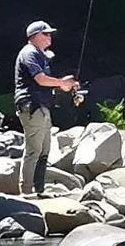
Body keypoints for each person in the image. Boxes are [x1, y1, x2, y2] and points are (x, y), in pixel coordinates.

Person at [13, 21, 82, 194]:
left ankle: (39, 190)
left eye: (50, 34)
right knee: (34, 150)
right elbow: (40, 79)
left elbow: (45, 82)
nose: (49, 37)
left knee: (44, 150)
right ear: (33, 36)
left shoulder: (40, 55)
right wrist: (61, 83)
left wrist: (64, 85)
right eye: (45, 34)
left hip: (41, 105)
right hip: (32, 105)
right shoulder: (29, 53)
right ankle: (27, 192)